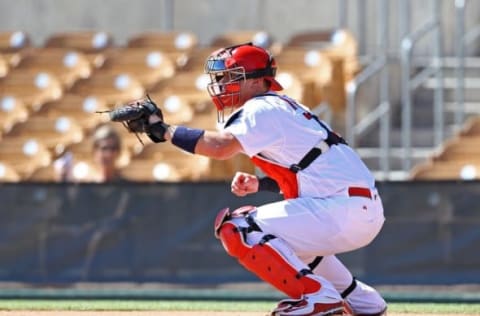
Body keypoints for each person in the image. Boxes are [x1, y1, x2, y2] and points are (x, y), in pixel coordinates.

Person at [129, 43, 387, 316]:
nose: (222, 83)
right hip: (355, 207)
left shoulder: (261, 107)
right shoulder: (281, 107)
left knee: (240, 227)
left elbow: (220, 147)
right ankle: (361, 301)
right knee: (284, 243)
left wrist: (163, 130)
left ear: (255, 80)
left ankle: (315, 296)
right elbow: (312, 173)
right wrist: (261, 184)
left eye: (231, 76)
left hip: (342, 209)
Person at [54, 123, 125, 182]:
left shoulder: (127, 188)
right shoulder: (85, 186)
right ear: (95, 151)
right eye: (104, 148)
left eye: (113, 149)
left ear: (119, 152)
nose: (108, 154)